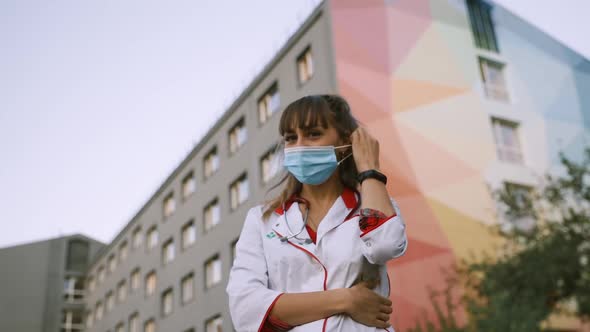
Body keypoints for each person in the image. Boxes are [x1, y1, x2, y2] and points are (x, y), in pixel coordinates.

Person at [226, 94, 408, 332]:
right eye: (291, 138)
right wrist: (346, 300)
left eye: (313, 134)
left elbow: (386, 245)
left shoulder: (373, 202)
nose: (299, 145)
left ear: (344, 143)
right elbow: (245, 307)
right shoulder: (262, 219)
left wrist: (370, 170)